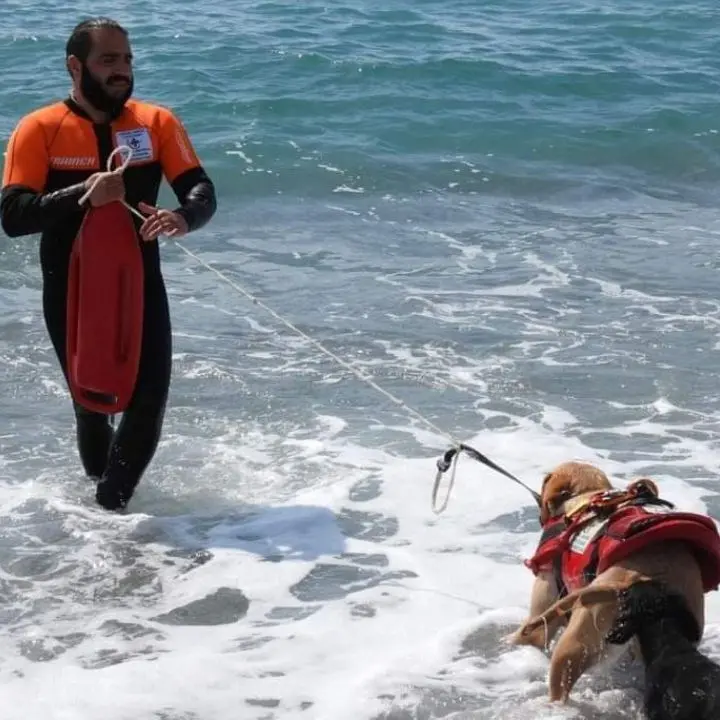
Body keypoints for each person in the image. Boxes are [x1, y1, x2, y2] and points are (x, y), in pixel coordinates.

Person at [0, 17, 217, 511]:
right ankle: (103, 527)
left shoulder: (156, 122)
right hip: (71, 289)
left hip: (140, 284)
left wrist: (183, 217)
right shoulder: (40, 129)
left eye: (127, 59)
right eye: (108, 60)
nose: (122, 70)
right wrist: (83, 194)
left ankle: (109, 510)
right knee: (92, 404)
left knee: (148, 400)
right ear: (75, 67)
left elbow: (201, 191)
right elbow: (13, 217)